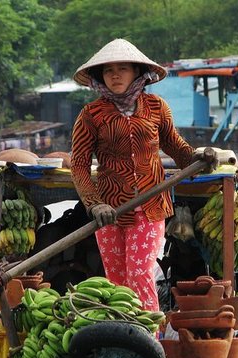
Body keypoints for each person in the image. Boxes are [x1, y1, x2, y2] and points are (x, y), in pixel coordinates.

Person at [70, 38, 218, 311]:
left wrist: (198, 158)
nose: (115, 74)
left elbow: (175, 146)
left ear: (137, 72)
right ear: (99, 77)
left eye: (122, 68)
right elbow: (78, 165)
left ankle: (151, 340)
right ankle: (126, 338)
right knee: (117, 283)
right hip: (110, 210)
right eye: (108, 70)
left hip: (150, 206)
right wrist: (94, 204)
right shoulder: (91, 115)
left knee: (139, 275)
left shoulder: (156, 107)